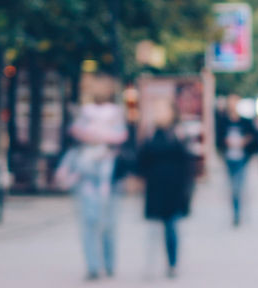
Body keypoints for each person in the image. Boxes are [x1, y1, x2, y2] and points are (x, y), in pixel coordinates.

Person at [56, 82, 128, 281]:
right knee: (92, 222)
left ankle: (105, 264)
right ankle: (96, 265)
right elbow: (77, 132)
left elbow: (121, 137)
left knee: (105, 223)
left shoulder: (114, 114)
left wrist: (96, 135)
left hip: (107, 175)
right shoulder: (86, 114)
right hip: (88, 173)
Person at [137, 102, 195, 279]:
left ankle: (172, 264)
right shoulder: (150, 133)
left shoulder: (178, 133)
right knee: (153, 228)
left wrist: (187, 188)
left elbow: (186, 162)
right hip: (155, 186)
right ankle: (151, 266)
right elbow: (142, 159)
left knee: (171, 227)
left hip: (174, 187)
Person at [215, 94, 258, 227]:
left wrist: (245, 142)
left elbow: (254, 137)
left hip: (242, 158)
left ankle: (238, 212)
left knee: (238, 187)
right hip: (229, 158)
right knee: (232, 187)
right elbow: (218, 139)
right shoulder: (223, 121)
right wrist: (224, 144)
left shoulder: (245, 122)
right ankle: (236, 211)